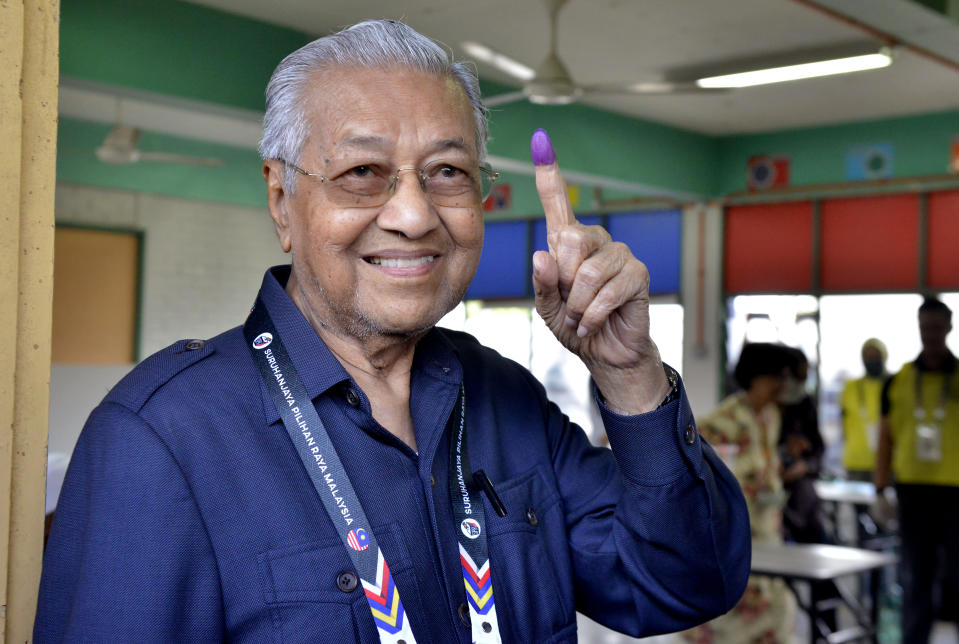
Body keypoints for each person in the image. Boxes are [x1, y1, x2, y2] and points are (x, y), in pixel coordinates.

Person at [35, 20, 750, 643]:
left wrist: (627, 372)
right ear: (282, 201)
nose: (413, 215)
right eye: (361, 172)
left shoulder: (505, 398)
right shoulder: (160, 438)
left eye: (446, 171)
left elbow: (681, 585)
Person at [684, 342, 795, 643]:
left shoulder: (770, 417)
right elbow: (696, 479)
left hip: (767, 532)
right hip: (733, 538)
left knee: (773, 618)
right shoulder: (722, 422)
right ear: (756, 378)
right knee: (730, 624)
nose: (782, 387)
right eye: (777, 378)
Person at [876, 297, 959, 644]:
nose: (931, 335)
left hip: (956, 493)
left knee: (958, 578)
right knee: (915, 578)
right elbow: (885, 439)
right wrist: (880, 489)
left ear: (949, 328)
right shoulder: (898, 382)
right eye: (926, 327)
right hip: (912, 492)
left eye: (938, 328)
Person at [779, 348, 828, 545]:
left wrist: (805, 466)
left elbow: (817, 449)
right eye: (797, 376)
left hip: (799, 489)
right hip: (769, 492)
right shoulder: (762, 409)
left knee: (817, 534)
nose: (800, 383)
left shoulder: (804, 403)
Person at [840, 338, 888, 482]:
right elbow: (843, 421)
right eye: (868, 357)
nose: (872, 360)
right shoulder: (851, 387)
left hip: (887, 461)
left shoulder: (893, 385)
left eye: (876, 356)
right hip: (856, 461)